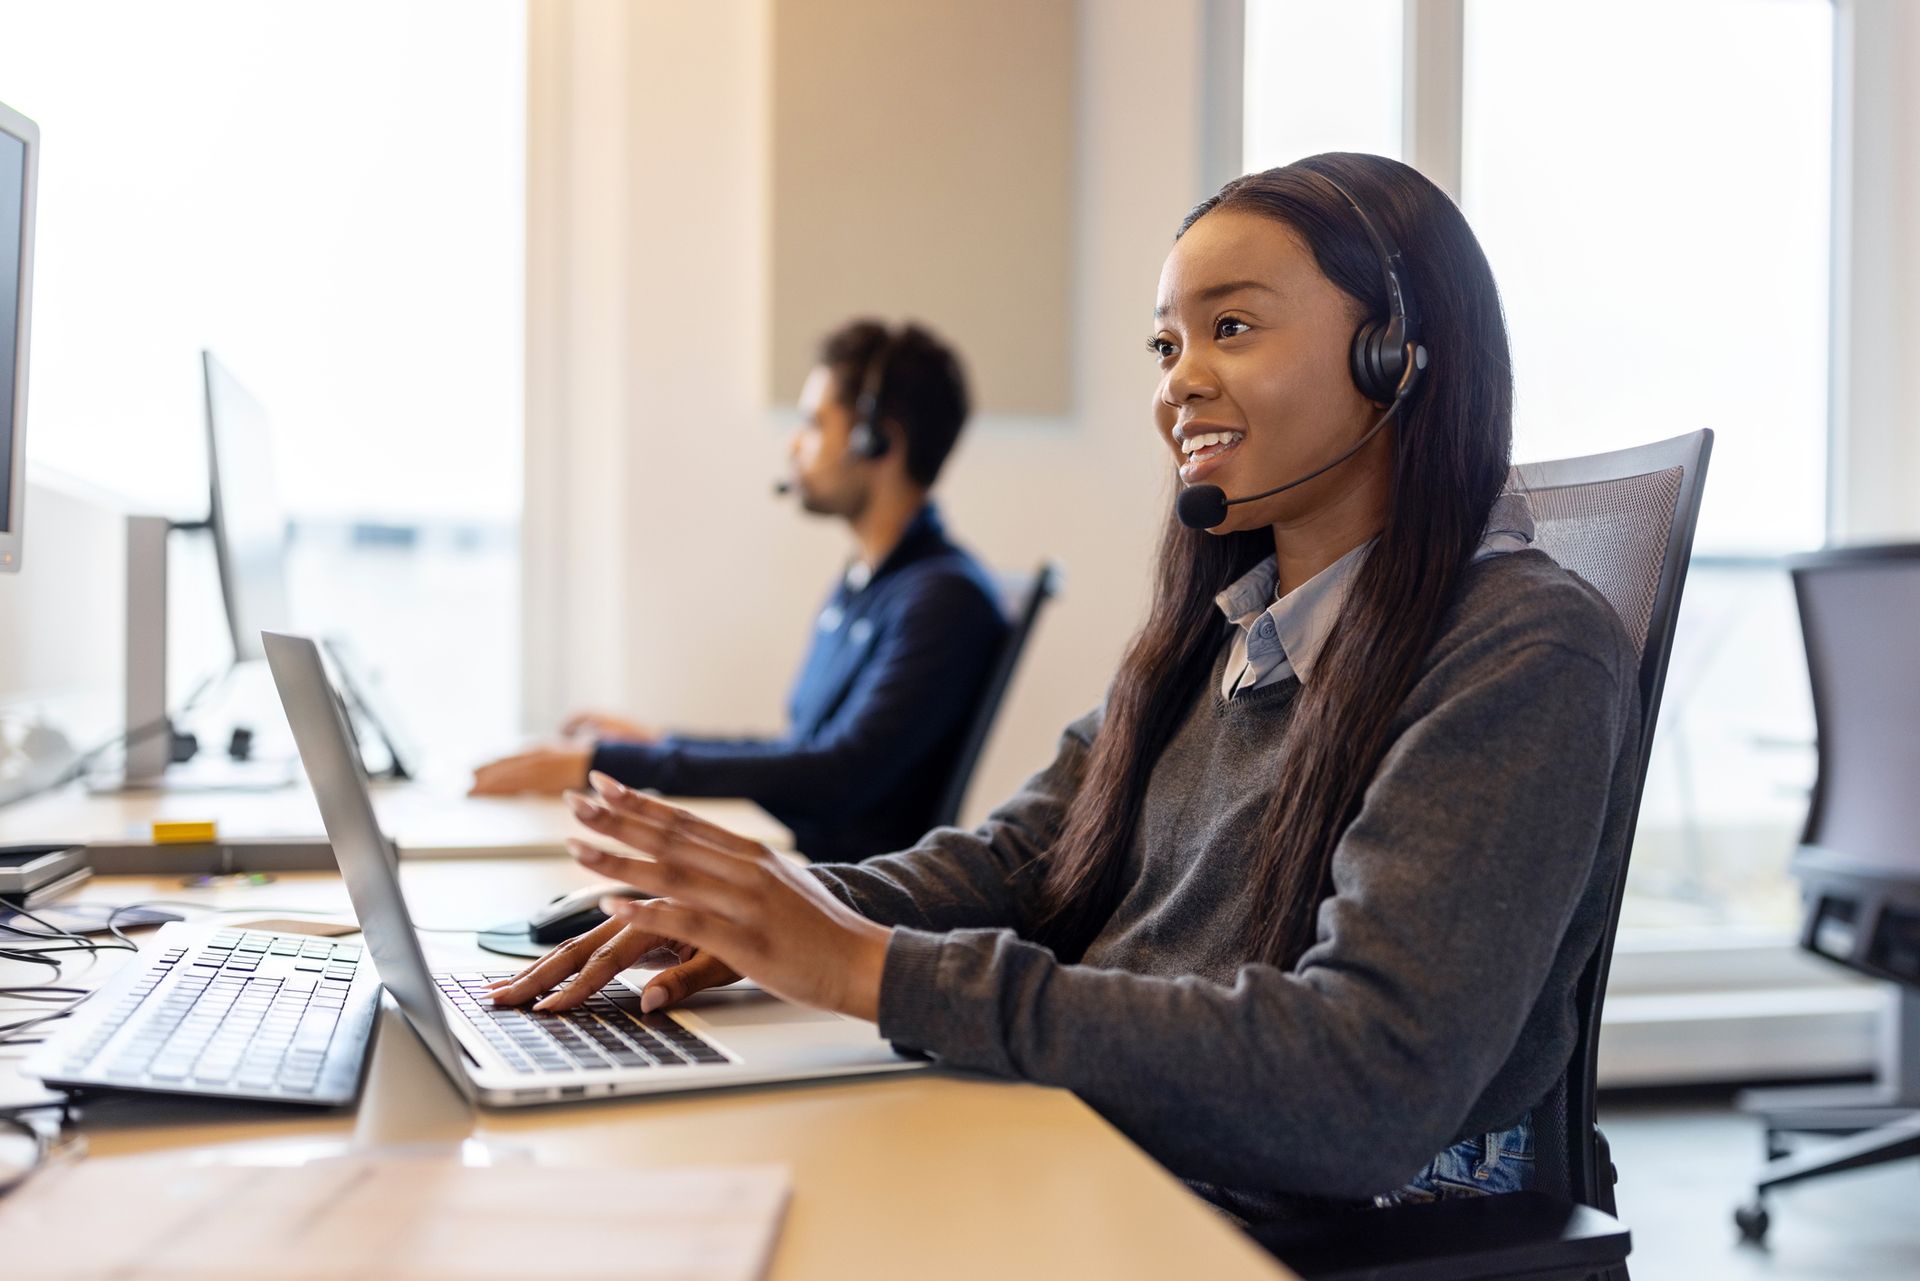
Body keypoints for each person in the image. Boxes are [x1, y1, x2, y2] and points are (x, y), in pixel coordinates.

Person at [486, 154, 1643, 1223]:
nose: (1180, 384)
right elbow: (1016, 862)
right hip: (1112, 1145)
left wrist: (863, 968)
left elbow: (1363, 1081)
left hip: (1282, 1225)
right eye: (1165, 347)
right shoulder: (1221, 632)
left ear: (1396, 353)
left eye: (1230, 327)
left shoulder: (1522, 653)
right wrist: (778, 916)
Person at [470, 320, 1009, 863]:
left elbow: (837, 773)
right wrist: (656, 743)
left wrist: (604, 761)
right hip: (797, 863)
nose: (795, 444)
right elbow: (800, 750)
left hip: (838, 889)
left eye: (813, 423)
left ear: (879, 439)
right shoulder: (868, 583)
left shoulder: (942, 599)